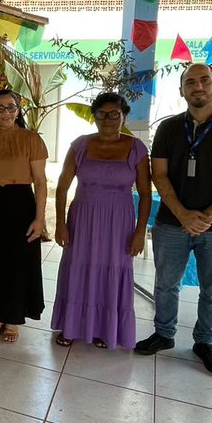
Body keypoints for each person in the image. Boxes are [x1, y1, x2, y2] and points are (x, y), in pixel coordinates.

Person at [135, 63, 212, 374]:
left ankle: (205, 342)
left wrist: (208, 216)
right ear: (181, 90)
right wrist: (182, 214)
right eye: (190, 82)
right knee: (165, 285)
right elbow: (158, 174)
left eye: (205, 80)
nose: (198, 86)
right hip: (171, 223)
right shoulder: (168, 128)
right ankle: (163, 334)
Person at [51, 92, 151, 349]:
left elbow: (146, 194)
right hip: (82, 218)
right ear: (94, 116)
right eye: (101, 114)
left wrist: (140, 231)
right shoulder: (80, 145)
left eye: (114, 114)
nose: (107, 120)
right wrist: (60, 224)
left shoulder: (136, 148)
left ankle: (104, 329)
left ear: (124, 116)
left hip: (119, 222)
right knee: (78, 268)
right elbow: (62, 187)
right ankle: (71, 327)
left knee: (112, 270)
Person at [0, 90, 47, 344]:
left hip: (21, 205)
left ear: (18, 110)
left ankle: (13, 318)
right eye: (0, 108)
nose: (6, 113)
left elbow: (41, 181)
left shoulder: (31, 138)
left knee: (18, 263)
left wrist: (40, 218)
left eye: (11, 107)